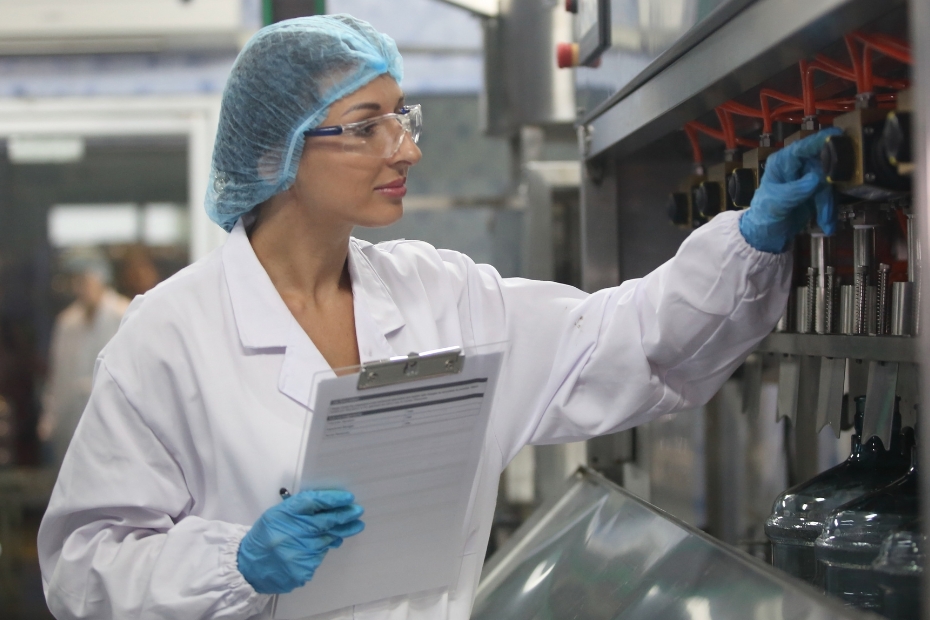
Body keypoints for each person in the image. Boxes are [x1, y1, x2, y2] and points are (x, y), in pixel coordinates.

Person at [37, 14, 841, 620]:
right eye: (367, 127)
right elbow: (83, 565)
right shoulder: (170, 335)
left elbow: (620, 342)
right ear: (273, 156)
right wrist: (234, 564)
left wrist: (751, 237)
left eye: (403, 118)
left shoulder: (441, 295)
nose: (406, 149)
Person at [37, 253, 129, 470]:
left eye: (86, 281)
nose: (81, 288)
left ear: (101, 280)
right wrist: (50, 417)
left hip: (113, 418)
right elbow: (57, 376)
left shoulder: (124, 314)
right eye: (77, 282)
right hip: (71, 419)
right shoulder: (67, 322)